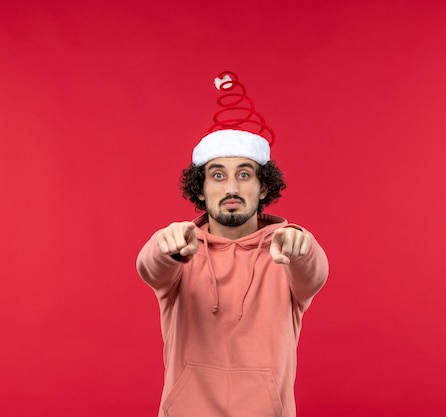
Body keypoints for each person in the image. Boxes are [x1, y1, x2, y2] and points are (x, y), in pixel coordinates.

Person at [136, 71, 329, 417]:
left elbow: (314, 273)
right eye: (218, 175)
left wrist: (303, 247)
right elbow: (150, 267)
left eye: (244, 174)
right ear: (199, 188)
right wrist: (165, 247)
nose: (231, 189)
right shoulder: (181, 248)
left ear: (264, 187)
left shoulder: (284, 250)